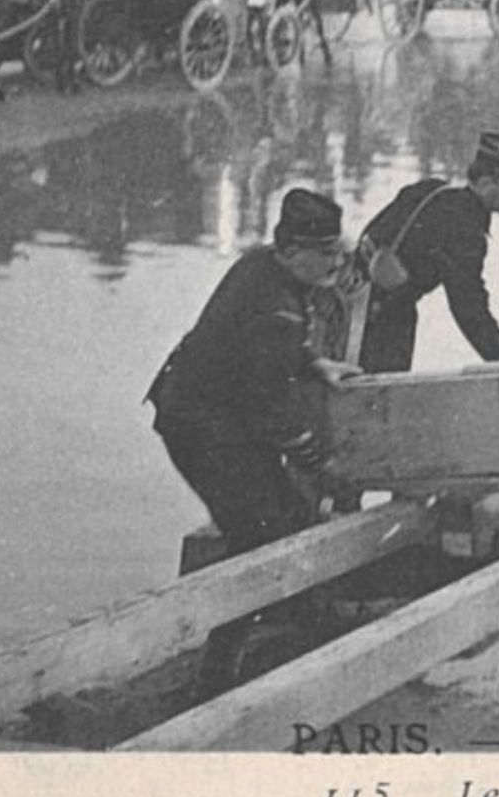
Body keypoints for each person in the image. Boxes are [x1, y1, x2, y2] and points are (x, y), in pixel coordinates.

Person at [145, 189, 359, 686]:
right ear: (291, 252)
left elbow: (270, 347)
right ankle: (219, 669)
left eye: (335, 249)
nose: (337, 261)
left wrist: (314, 363)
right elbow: (270, 411)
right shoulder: (276, 310)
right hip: (202, 428)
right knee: (258, 535)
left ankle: (301, 628)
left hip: (207, 412)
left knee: (282, 521)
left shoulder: (262, 265)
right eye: (325, 253)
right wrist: (319, 463)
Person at [356, 132, 499, 373]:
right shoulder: (465, 231)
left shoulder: (431, 191)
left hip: (347, 302)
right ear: (486, 183)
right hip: (385, 320)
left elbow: (370, 238)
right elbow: (471, 315)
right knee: (383, 401)